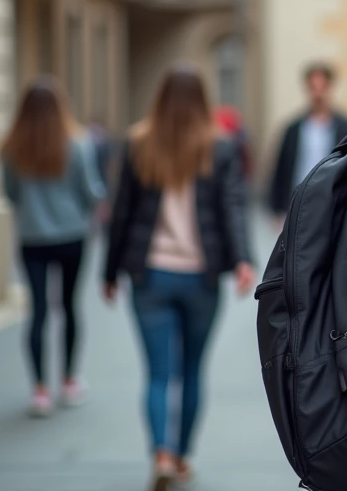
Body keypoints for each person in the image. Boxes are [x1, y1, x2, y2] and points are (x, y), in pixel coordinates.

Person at [102, 65, 255, 491]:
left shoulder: (139, 143)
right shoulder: (219, 147)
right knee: (191, 370)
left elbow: (121, 214)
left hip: (149, 276)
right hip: (200, 280)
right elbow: (232, 208)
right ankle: (183, 456)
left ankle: (161, 454)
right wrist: (242, 260)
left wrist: (109, 271)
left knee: (156, 373)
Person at [0, 77, 106, 417]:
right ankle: (70, 380)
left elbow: (11, 193)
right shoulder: (77, 143)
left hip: (32, 238)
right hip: (72, 236)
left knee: (38, 313)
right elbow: (91, 192)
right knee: (70, 307)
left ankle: (40, 390)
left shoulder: (12, 147)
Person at [266, 62, 347, 226]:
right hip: (299, 204)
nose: (318, 94)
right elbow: (281, 169)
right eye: (313, 87)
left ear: (330, 88)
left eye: (322, 87)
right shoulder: (293, 129)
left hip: (334, 203)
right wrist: (277, 210)